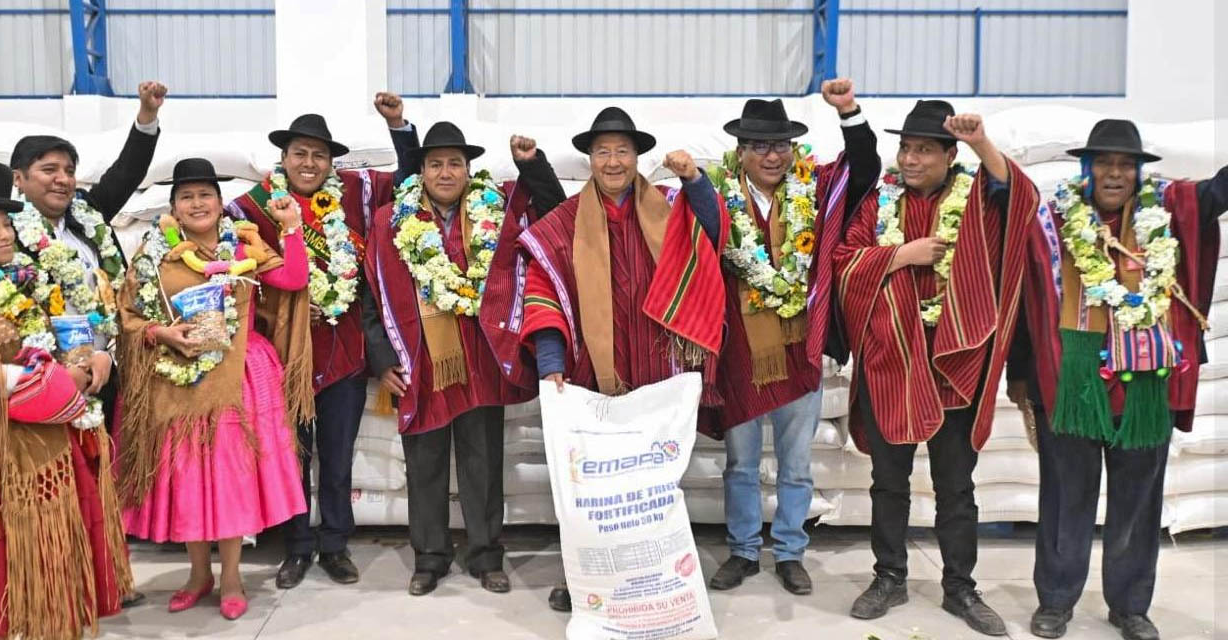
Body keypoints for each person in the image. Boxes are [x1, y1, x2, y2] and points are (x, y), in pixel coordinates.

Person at [1012, 119, 1227, 640]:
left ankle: (1130, 605)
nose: (1114, 173)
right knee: (1066, 498)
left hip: (1143, 385)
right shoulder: (1053, 220)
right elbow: (1025, 298)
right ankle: (1057, 602)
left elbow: (1219, 191)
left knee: (1137, 500)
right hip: (1072, 380)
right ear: (1086, 169)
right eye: (1103, 162)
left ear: (1138, 172)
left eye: (1125, 164)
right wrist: (1022, 378)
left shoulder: (1171, 211)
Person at [833, 100, 1039, 635]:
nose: (910, 158)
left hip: (955, 365)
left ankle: (960, 589)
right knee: (888, 482)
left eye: (924, 149)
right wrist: (903, 255)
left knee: (956, 487)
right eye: (905, 148)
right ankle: (889, 578)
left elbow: (1023, 200)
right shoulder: (879, 202)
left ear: (951, 155)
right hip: (890, 362)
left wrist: (982, 144)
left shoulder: (978, 201)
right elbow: (845, 263)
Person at [511, 107, 729, 612]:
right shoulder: (566, 221)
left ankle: (649, 573)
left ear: (637, 158)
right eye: (603, 151)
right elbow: (543, 284)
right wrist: (550, 360)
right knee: (588, 485)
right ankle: (581, 574)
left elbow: (711, 232)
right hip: (590, 373)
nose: (613, 161)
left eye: (623, 151)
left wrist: (694, 178)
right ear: (590, 159)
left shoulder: (669, 208)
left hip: (657, 367)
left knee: (649, 481)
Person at [363, 122, 565, 596]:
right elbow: (373, 296)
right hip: (421, 361)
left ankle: (486, 556)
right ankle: (430, 558)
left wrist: (530, 163)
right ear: (422, 171)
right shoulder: (391, 220)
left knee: (483, 462)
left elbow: (555, 211)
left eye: (455, 163)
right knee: (425, 462)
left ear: (469, 170)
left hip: (480, 358)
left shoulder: (494, 210)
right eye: (436, 164)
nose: (446, 172)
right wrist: (381, 359)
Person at [230, 95, 421, 588]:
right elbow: (230, 264)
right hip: (282, 358)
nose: (309, 163)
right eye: (300, 153)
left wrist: (398, 125)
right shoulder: (254, 206)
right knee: (293, 455)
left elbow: (409, 181)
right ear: (284, 159)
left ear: (331, 163)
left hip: (345, 354)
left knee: (337, 458)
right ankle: (296, 547)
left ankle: (335, 544)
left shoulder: (355, 194)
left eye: (319, 155)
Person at [113, 158, 312, 620]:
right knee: (187, 478)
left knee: (228, 477)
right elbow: (129, 315)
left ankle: (233, 577)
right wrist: (162, 334)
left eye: (206, 195)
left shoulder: (244, 242)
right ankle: (198, 574)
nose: (197, 203)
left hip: (238, 379)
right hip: (175, 380)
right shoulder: (152, 255)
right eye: (187, 197)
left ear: (221, 205)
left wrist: (292, 228)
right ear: (175, 209)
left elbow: (293, 279)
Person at [705, 81, 880, 596]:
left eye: (781, 144)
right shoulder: (717, 196)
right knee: (739, 463)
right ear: (741, 151)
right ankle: (741, 550)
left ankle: (789, 551)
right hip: (739, 353)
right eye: (759, 145)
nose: (772, 155)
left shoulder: (817, 188)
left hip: (800, 348)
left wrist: (848, 110)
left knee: (796, 464)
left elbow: (865, 167)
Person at [0, 158, 133, 638]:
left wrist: (59, 362)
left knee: (47, 567)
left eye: (7, 224)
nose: (6, 235)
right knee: (8, 568)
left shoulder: (5, 283)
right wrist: (55, 381)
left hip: (34, 444)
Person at [9, 80, 168, 437]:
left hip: (106, 366)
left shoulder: (88, 216)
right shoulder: (4, 236)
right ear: (19, 179)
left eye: (68, 170)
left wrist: (147, 114)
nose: (62, 180)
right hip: (46, 376)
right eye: (49, 170)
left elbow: (127, 172)